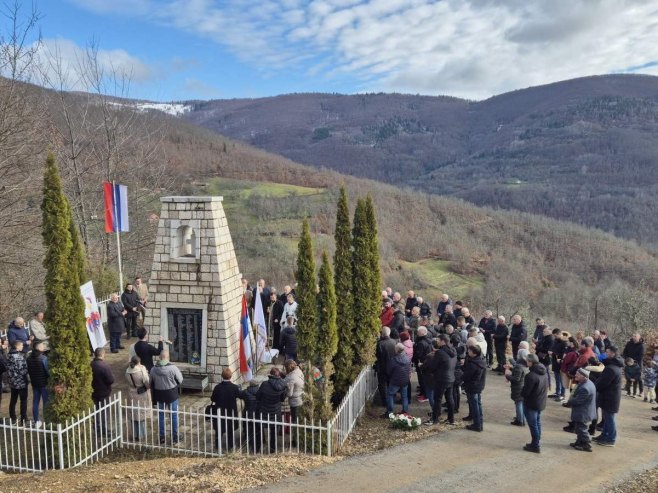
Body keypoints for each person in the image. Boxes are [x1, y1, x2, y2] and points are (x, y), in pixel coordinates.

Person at [150, 349, 184, 444]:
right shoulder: (173, 368)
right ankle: (175, 438)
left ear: (160, 357)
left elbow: (150, 383)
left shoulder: (153, 369)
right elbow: (180, 380)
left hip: (159, 395)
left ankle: (162, 438)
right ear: (168, 357)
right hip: (171, 394)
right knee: (173, 415)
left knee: (161, 415)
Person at [424, 334, 457, 426]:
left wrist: (427, 367)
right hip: (451, 378)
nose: (437, 341)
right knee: (450, 398)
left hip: (441, 379)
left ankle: (435, 419)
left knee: (437, 399)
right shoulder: (453, 350)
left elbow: (433, 366)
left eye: (438, 340)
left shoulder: (440, 352)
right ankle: (451, 419)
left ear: (443, 341)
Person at [594, 346, 623, 447]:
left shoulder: (611, 369)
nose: (605, 354)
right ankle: (604, 435)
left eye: (607, 352)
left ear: (612, 354)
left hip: (610, 397)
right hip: (608, 396)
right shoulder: (613, 366)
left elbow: (603, 383)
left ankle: (611, 438)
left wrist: (595, 386)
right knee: (606, 417)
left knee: (609, 418)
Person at [564, 368, 597, 452]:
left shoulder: (585, 388)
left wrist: (569, 402)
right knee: (579, 428)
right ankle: (579, 442)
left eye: (578, 374)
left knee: (582, 429)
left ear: (584, 376)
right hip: (585, 411)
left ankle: (587, 445)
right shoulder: (588, 383)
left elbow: (578, 401)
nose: (575, 375)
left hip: (583, 412)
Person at [209, 367, 242, 450]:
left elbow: (213, 399)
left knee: (219, 430)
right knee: (230, 430)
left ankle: (217, 445)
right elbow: (239, 395)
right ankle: (231, 446)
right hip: (231, 411)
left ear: (222, 376)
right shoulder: (234, 387)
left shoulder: (217, 387)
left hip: (220, 411)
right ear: (230, 376)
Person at [256, 367, 288, 453]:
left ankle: (259, 447)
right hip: (275, 411)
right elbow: (282, 399)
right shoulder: (283, 385)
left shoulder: (264, 384)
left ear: (270, 374)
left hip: (264, 410)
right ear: (278, 375)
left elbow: (258, 396)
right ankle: (272, 449)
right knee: (274, 431)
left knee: (260, 427)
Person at [521, 353, 547, 453]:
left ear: (531, 362)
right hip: (540, 402)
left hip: (531, 403)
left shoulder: (530, 375)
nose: (526, 362)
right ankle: (536, 442)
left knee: (533, 425)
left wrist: (522, 394)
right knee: (537, 423)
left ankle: (535, 445)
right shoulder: (543, 372)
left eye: (527, 361)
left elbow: (526, 392)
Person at [125, 355, 151, 441]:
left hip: (131, 394)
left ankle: (135, 434)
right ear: (139, 362)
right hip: (141, 394)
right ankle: (141, 435)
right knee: (141, 415)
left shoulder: (127, 371)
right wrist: (145, 372)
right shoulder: (141, 370)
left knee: (133, 415)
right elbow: (147, 384)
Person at [91, 347, 114, 436]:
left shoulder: (91, 364)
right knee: (103, 412)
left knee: (95, 411)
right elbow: (110, 380)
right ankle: (103, 431)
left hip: (94, 391)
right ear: (102, 354)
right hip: (103, 392)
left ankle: (96, 428)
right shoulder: (104, 366)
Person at [462, 345, 486, 432]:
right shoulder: (481, 361)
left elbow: (466, 376)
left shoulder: (473, 364)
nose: (468, 352)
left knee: (475, 406)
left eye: (470, 351)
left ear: (474, 353)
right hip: (479, 386)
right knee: (478, 405)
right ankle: (479, 423)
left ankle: (477, 425)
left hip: (472, 387)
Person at [26, 341, 49, 426]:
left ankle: (37, 421)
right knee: (46, 402)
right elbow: (47, 371)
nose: (44, 346)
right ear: (38, 347)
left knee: (35, 402)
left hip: (35, 384)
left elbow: (29, 370)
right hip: (44, 384)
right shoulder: (43, 358)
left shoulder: (28, 358)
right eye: (43, 345)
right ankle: (47, 420)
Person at [376, 327, 397, 414]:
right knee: (391, 384)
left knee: (383, 385)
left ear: (382, 334)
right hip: (393, 366)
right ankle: (392, 400)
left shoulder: (380, 344)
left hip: (383, 367)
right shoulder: (394, 342)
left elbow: (378, 356)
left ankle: (385, 402)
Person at [506, 348, 529, 426]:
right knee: (521, 403)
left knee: (518, 403)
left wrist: (507, 376)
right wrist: (512, 369)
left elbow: (516, 379)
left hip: (518, 387)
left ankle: (520, 421)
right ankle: (521, 419)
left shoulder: (519, 365)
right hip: (523, 386)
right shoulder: (526, 364)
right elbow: (520, 373)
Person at [386, 343, 411, 415]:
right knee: (404, 396)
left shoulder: (393, 360)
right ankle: (405, 411)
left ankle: (390, 412)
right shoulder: (407, 358)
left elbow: (389, 371)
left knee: (390, 395)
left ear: (396, 350)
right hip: (405, 380)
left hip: (395, 380)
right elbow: (409, 369)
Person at [7, 340, 28, 424]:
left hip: (12, 382)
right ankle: (24, 419)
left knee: (13, 400)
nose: (22, 347)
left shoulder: (8, 355)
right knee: (23, 400)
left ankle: (13, 417)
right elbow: (23, 370)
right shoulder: (19, 357)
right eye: (21, 345)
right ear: (17, 346)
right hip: (21, 382)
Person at [413, 327, 433, 403]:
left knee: (422, 380)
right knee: (423, 380)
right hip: (426, 362)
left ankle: (425, 395)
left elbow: (418, 354)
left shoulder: (421, 343)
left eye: (418, 332)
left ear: (422, 333)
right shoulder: (428, 340)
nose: (417, 333)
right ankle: (423, 393)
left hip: (421, 363)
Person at [549, 329, 568, 401]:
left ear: (560, 334)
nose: (555, 337)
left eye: (556, 336)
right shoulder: (555, 341)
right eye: (554, 336)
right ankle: (557, 392)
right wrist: (551, 352)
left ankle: (562, 395)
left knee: (562, 379)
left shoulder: (564, 343)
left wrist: (554, 353)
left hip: (561, 363)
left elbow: (564, 354)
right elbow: (553, 348)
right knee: (557, 379)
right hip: (554, 362)